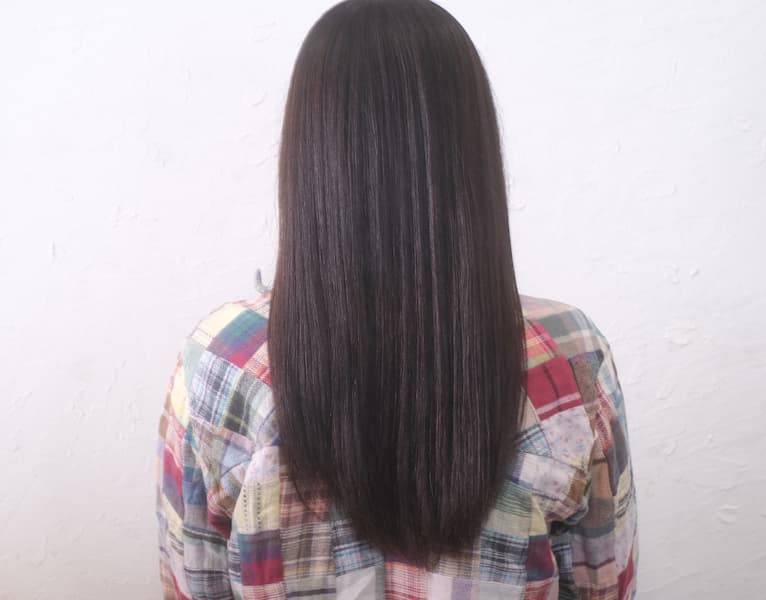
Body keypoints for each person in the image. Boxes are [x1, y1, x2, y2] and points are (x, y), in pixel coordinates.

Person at [155, 0, 638, 598]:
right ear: (473, 152)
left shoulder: (222, 361)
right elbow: (604, 584)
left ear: (310, 153)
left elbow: (192, 583)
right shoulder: (567, 355)